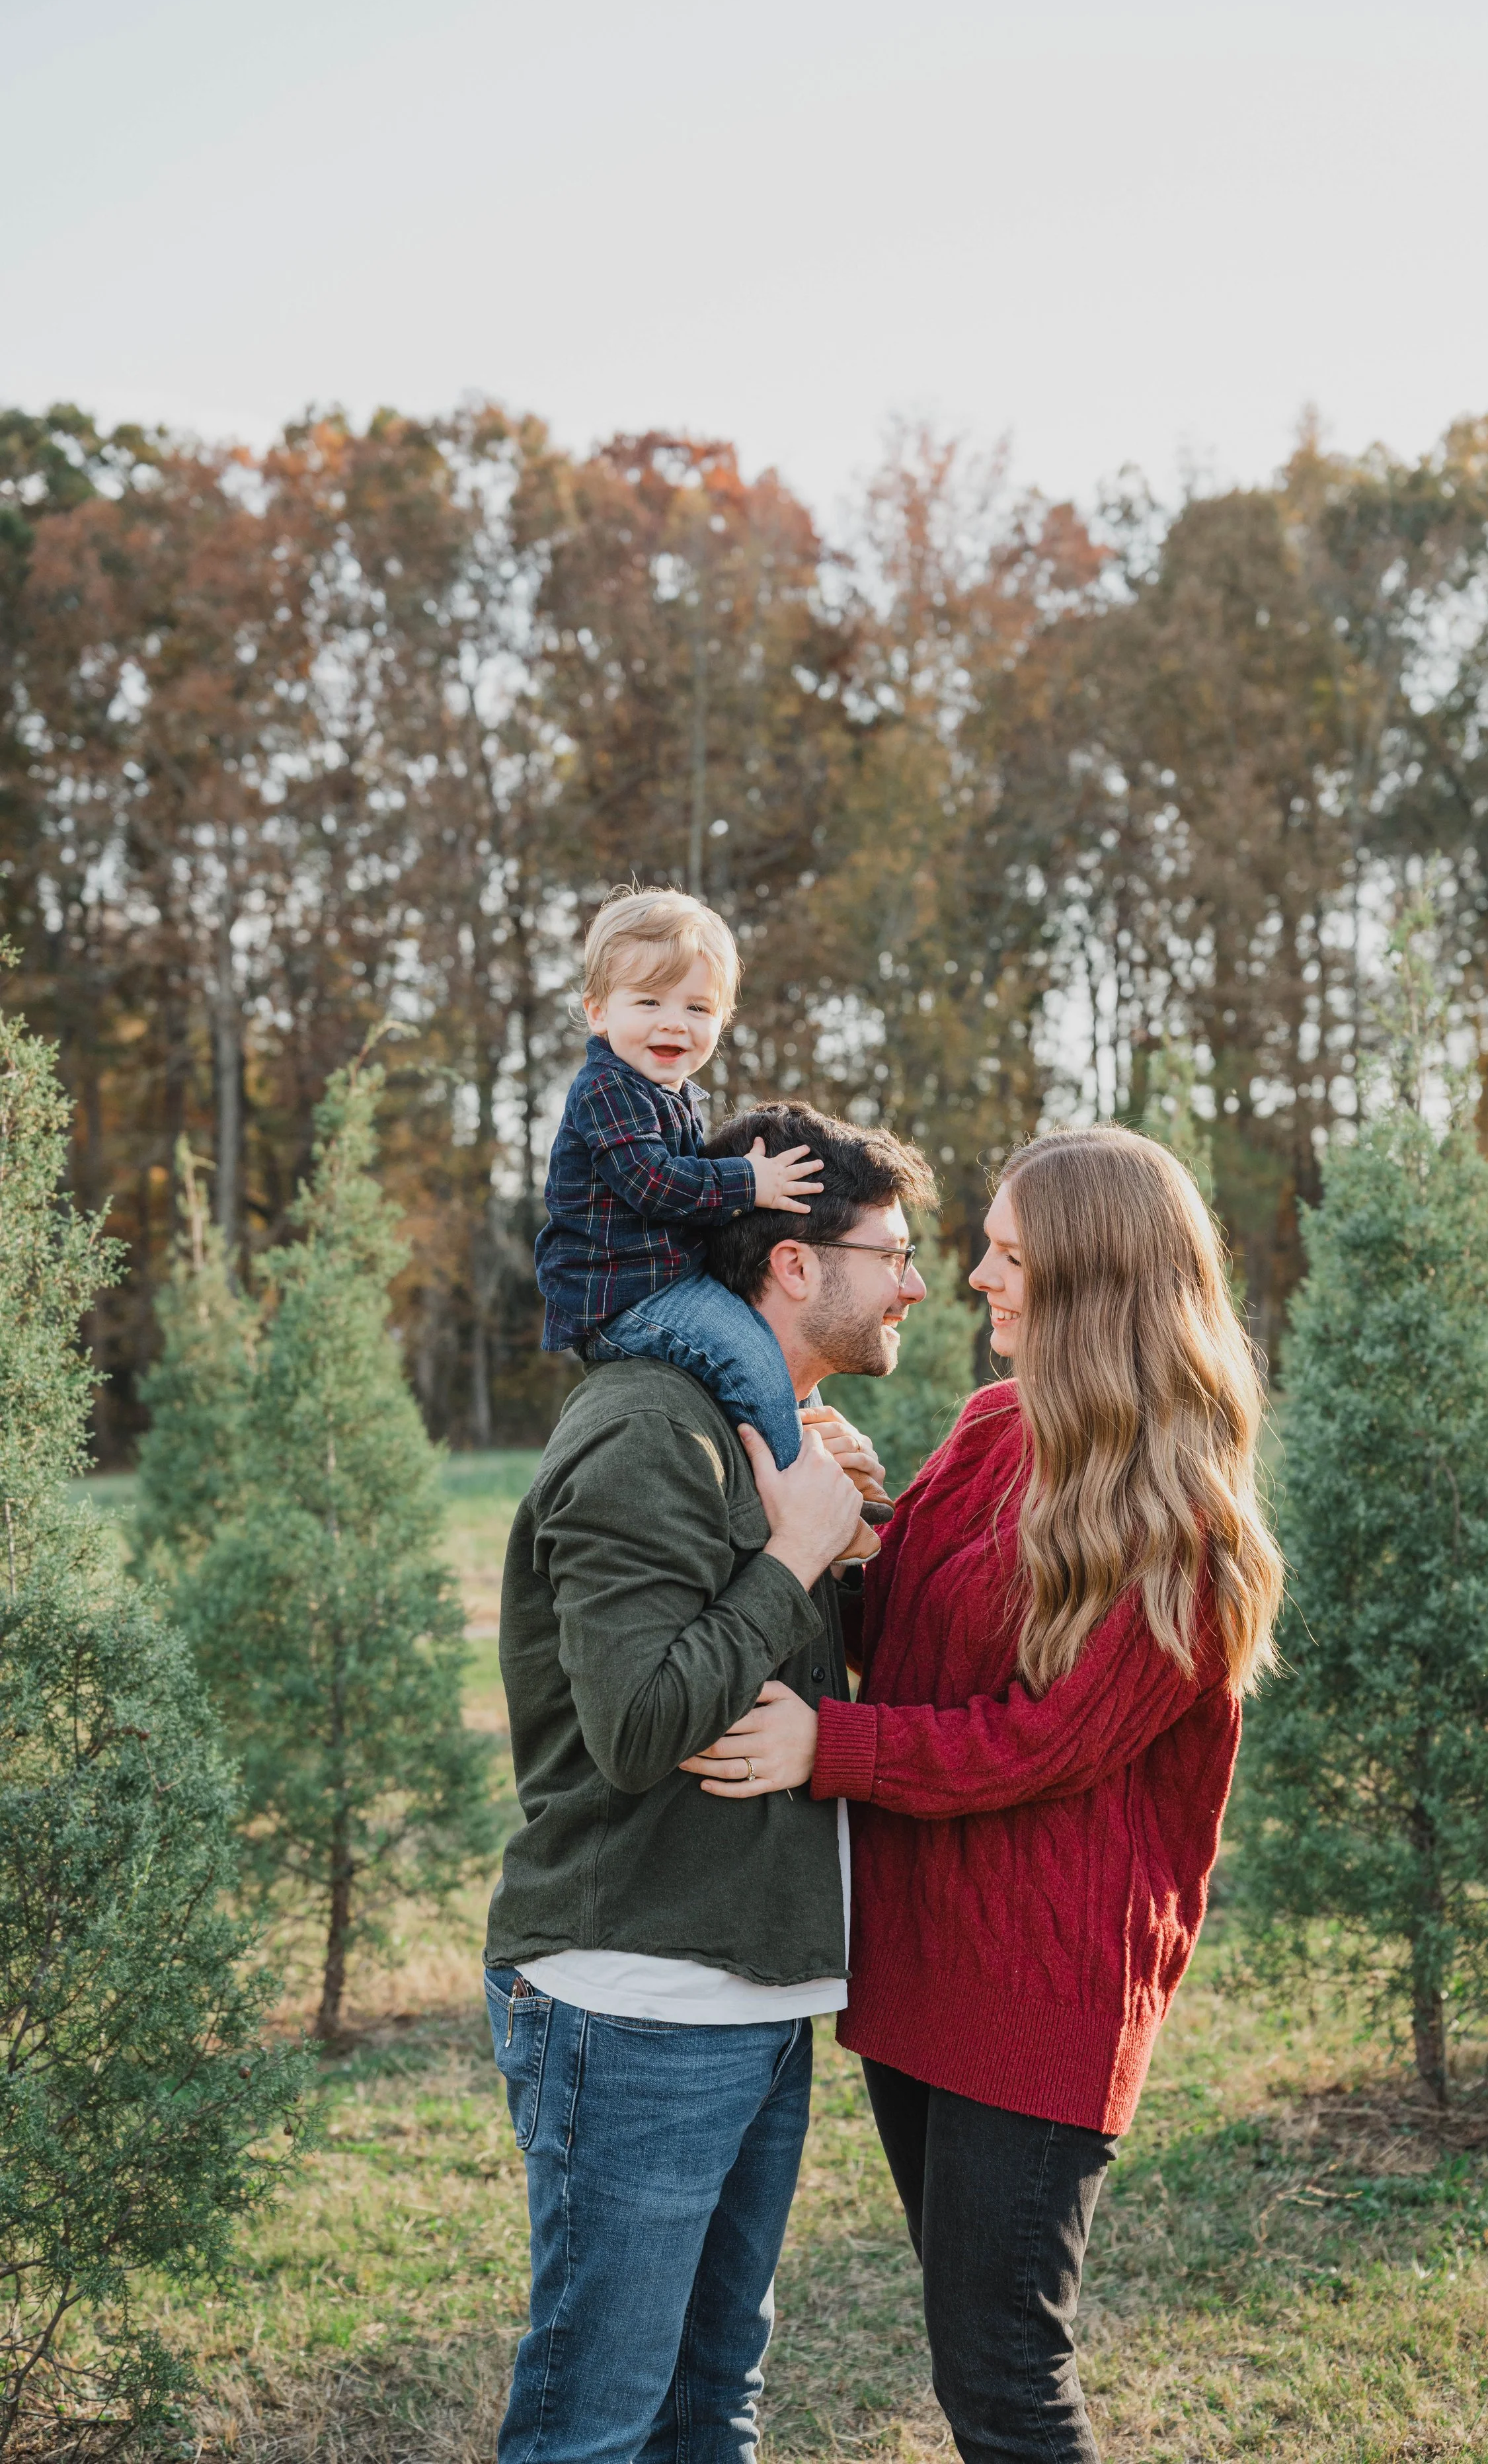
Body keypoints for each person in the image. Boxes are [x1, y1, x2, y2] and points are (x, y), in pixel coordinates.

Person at [683, 1126, 1284, 2464]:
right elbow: (892, 1636)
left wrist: (825, 1749)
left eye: (1005, 1256)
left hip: (1043, 1993)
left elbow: (1037, 1743)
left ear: (1091, 1283)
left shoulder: (1178, 1520)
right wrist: (834, 1529)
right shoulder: (993, 1427)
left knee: (1006, 2374)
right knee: (974, 2353)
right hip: (923, 1965)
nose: (969, 1278)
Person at [485, 1100, 935, 2464]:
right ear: (794, 1262)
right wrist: (792, 1559)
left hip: (747, 1989)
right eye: (893, 1250)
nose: (916, 1281)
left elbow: (781, 1676)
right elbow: (636, 1728)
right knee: (597, 2428)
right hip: (635, 2005)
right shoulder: (646, 1429)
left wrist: (834, 1549)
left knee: (709, 2408)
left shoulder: (770, 1430)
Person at [535, 883, 828, 1476]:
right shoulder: (607, 1090)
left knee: (780, 1349)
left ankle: (827, 1459)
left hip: (667, 1283)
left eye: (696, 1008)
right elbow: (654, 1184)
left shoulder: (668, 1094)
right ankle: (797, 1488)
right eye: (648, 1003)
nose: (674, 1024)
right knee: (748, 1356)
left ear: (721, 1019)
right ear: (598, 1012)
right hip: (624, 1298)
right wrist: (750, 1182)